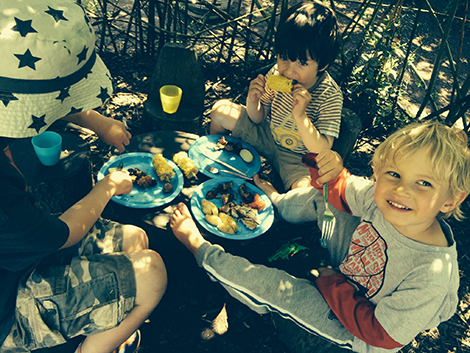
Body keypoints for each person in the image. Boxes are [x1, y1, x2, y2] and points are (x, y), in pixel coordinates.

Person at [170, 121, 470, 352]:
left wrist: (330, 282)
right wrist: (331, 170)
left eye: (424, 183)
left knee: (276, 288)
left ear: (450, 200)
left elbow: (382, 334)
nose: (402, 190)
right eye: (394, 175)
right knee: (328, 200)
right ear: (377, 171)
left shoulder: (431, 275)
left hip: (356, 333)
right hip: (345, 276)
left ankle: (201, 250)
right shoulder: (386, 200)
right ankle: (279, 203)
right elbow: (340, 188)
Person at [0, 1, 167, 353]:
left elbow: (35, 103)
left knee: (135, 238)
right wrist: (108, 186)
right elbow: (64, 233)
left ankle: (106, 325)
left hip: (21, 257)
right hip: (9, 311)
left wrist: (95, 121)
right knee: (152, 272)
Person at [209, 0, 342, 190]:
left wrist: (301, 116)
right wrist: (253, 101)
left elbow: (322, 149)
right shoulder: (277, 73)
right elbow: (258, 117)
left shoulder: (330, 95)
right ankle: (215, 162)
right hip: (267, 136)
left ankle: (275, 198)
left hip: (297, 159)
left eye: (302, 63)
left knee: (304, 193)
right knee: (220, 111)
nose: (289, 70)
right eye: (284, 58)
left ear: (322, 65)